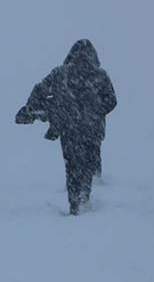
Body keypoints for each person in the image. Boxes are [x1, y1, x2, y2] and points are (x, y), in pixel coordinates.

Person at [16, 39, 117, 215]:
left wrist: (36, 108)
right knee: (88, 166)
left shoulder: (60, 73)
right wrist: (95, 112)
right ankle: (85, 197)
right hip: (92, 130)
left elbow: (39, 90)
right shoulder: (100, 76)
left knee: (72, 165)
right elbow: (111, 101)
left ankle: (74, 203)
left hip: (69, 128)